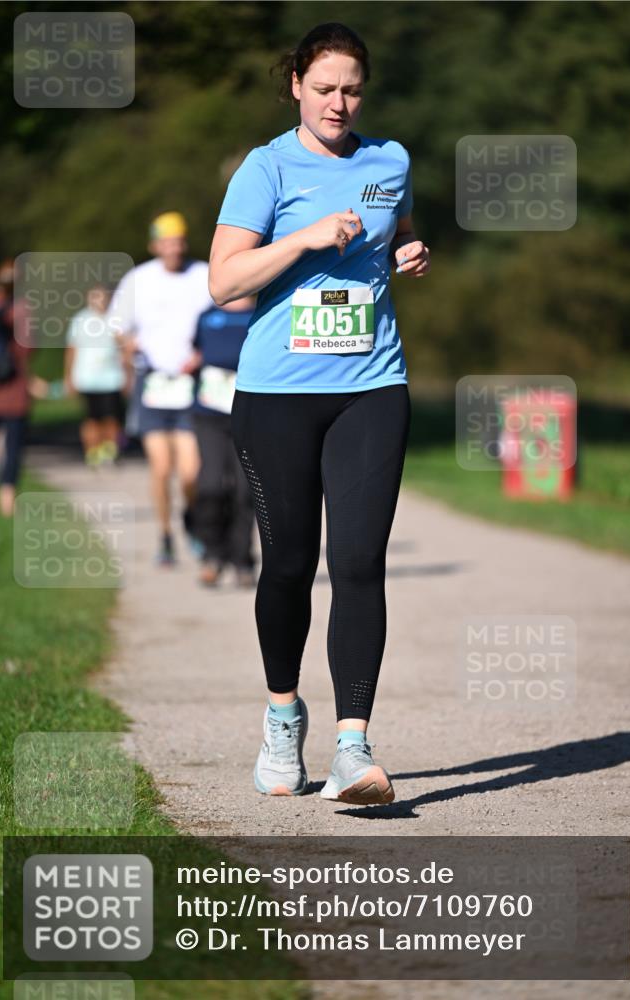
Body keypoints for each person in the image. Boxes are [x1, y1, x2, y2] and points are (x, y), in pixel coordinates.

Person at [208, 23, 430, 805]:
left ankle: (352, 746)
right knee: (289, 565)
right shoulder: (265, 168)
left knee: (360, 561)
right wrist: (302, 238)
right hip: (277, 395)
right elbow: (224, 282)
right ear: (296, 85)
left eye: (352, 90)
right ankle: (282, 717)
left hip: (371, 386)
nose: (339, 103)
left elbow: (397, 232)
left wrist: (408, 251)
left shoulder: (389, 161)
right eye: (325, 88)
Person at [109, 212, 214, 565]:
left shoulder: (202, 275)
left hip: (190, 383)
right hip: (152, 383)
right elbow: (117, 326)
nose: (174, 249)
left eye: (179, 241)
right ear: (155, 245)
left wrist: (204, 353)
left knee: (190, 472)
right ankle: (166, 535)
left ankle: (191, 520)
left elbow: (221, 319)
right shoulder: (138, 279)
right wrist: (128, 345)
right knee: (161, 468)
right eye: (167, 242)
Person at [189, 297, 256, 588]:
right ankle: (212, 554)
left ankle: (243, 560)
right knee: (211, 485)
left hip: (250, 413)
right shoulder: (206, 316)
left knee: (245, 490)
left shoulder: (260, 312)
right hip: (209, 414)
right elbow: (195, 352)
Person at [0, 260, 38, 516]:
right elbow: (28, 349)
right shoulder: (22, 309)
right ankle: (8, 501)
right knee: (13, 447)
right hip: (14, 390)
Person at [64, 283, 126, 467]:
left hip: (112, 378)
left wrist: (128, 373)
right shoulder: (80, 320)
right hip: (87, 378)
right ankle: (92, 452)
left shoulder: (115, 319)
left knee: (111, 418)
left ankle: (109, 451)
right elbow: (72, 349)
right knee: (91, 418)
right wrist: (69, 376)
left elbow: (124, 349)